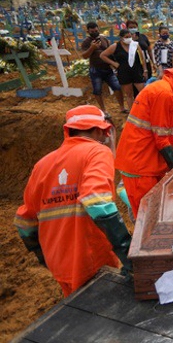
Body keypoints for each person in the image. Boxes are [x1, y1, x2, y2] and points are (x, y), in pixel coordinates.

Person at [14, 105, 132, 297]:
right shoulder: (96, 153)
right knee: (102, 314)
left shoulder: (42, 164)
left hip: (58, 261)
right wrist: (126, 251)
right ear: (99, 130)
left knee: (77, 315)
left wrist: (42, 255)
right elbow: (96, 201)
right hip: (90, 257)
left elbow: (24, 221)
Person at [115, 59, 173, 219]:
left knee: (153, 214)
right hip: (141, 164)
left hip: (146, 161)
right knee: (148, 218)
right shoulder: (164, 94)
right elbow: (161, 139)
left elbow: (162, 134)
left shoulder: (164, 91)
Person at [80, 22, 127, 113]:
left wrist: (114, 64)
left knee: (117, 87)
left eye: (96, 31)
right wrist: (92, 47)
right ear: (88, 31)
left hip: (107, 68)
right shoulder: (86, 42)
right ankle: (103, 110)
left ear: (98, 29)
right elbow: (85, 56)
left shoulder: (104, 39)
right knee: (97, 90)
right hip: (95, 69)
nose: (94, 32)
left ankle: (122, 107)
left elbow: (110, 52)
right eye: (92, 31)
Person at [100, 29, 147, 110]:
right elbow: (102, 55)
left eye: (130, 36)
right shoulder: (115, 46)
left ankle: (145, 110)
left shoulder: (135, 45)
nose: (129, 38)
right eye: (126, 37)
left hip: (137, 71)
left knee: (143, 92)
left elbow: (142, 58)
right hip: (124, 73)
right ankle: (132, 112)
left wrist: (145, 70)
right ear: (121, 38)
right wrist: (113, 63)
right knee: (129, 94)